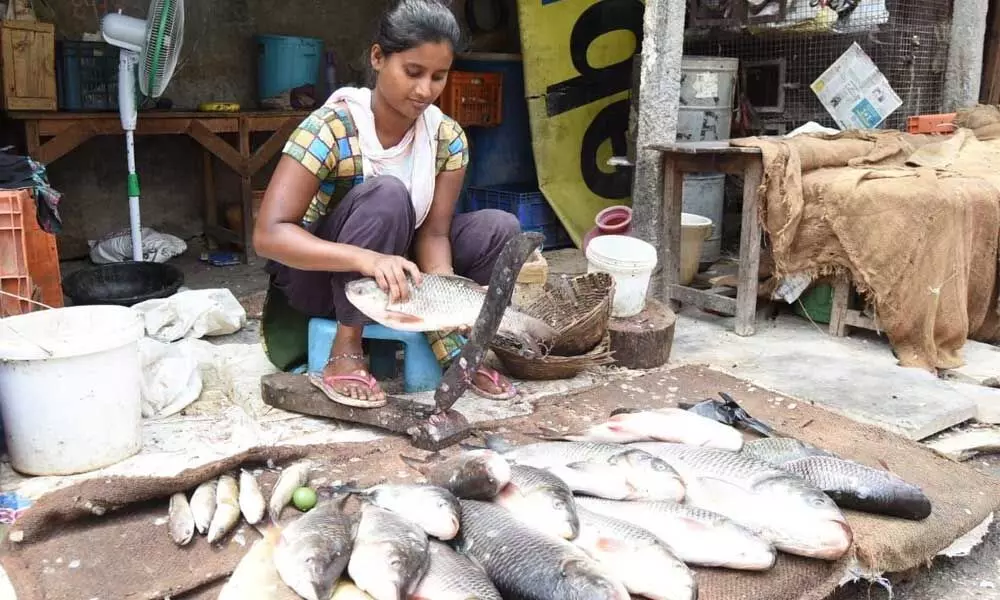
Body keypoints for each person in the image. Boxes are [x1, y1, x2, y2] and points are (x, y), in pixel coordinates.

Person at [254, 0, 521, 409]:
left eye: (438, 76)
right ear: (378, 57)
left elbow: (433, 234)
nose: (424, 90)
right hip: (318, 279)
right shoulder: (330, 128)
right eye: (412, 72)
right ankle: (346, 348)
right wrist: (365, 258)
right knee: (387, 195)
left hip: (398, 274)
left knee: (499, 229)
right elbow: (269, 236)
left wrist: (446, 300)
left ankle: (455, 346)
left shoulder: (447, 138)